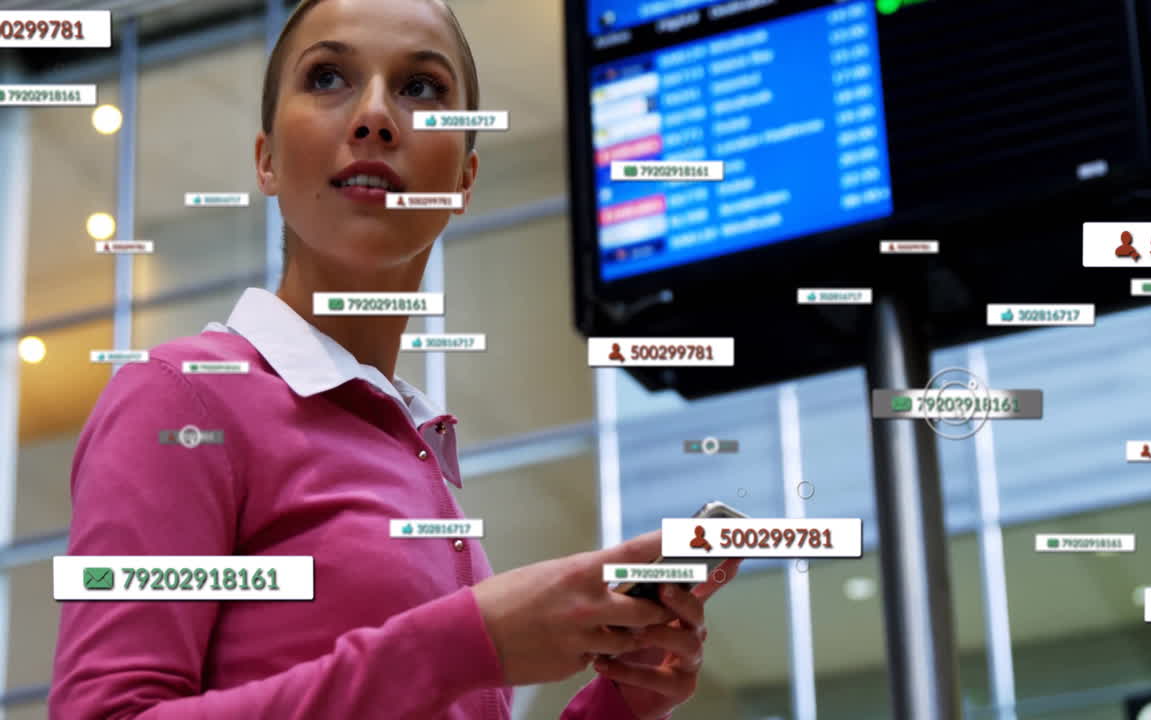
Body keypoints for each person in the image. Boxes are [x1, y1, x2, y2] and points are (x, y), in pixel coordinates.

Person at [48, 0, 741, 717]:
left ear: (465, 181)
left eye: (420, 89)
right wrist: (472, 641)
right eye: (327, 78)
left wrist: (616, 705)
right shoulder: (180, 398)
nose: (375, 116)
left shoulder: (415, 459)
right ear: (267, 161)